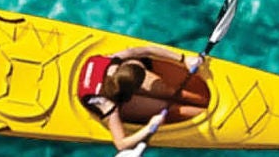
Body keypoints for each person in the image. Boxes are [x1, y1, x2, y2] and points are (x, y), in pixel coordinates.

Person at [79, 45, 210, 151]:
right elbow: (121, 144)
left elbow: (146, 50)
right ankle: (205, 114)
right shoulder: (106, 103)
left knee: (170, 91)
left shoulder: (111, 61)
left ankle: (204, 100)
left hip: (118, 82)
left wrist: (183, 58)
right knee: (167, 108)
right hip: (111, 96)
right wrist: (149, 127)